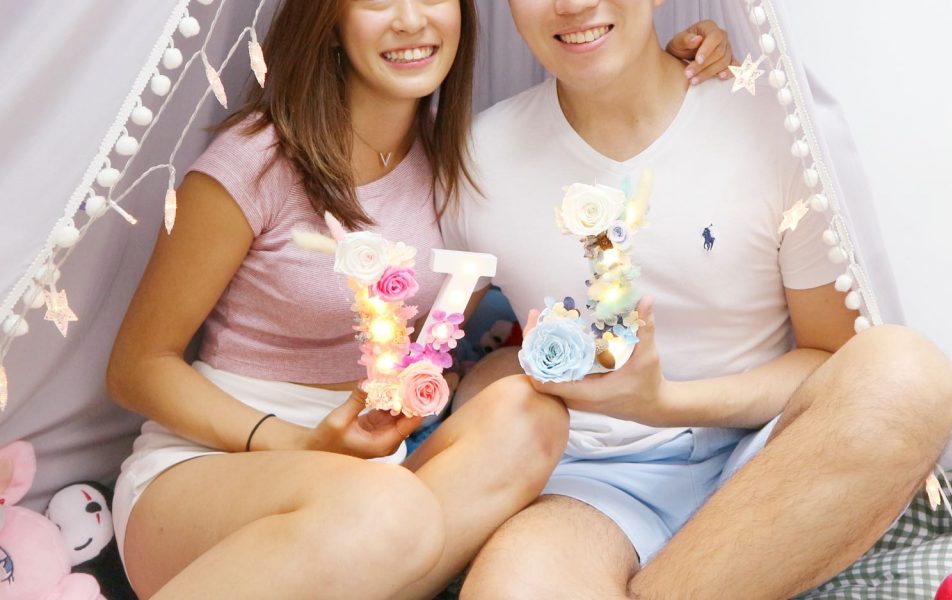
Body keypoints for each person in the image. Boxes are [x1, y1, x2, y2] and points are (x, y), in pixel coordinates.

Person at [106, 0, 735, 597]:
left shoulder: (465, 160)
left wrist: (671, 65)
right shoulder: (255, 161)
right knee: (387, 509)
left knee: (529, 415)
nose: (411, 20)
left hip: (379, 478)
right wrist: (296, 444)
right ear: (329, 19)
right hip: (217, 466)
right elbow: (137, 368)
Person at [442, 1, 952, 598]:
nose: (573, 4)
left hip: (767, 454)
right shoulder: (475, 158)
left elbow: (829, 357)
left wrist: (663, 402)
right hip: (594, 482)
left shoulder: (772, 121)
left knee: (909, 373)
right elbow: (415, 348)